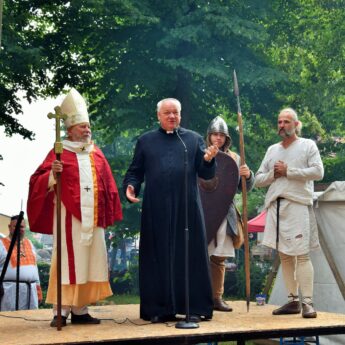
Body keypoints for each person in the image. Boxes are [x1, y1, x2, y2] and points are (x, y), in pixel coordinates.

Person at [27, 88, 123, 327]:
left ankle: (81, 309)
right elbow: (37, 180)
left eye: (88, 127)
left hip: (94, 219)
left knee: (89, 262)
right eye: (82, 127)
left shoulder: (96, 154)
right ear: (69, 130)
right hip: (69, 219)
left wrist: (108, 210)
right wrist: (52, 174)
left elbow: (108, 185)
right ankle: (61, 311)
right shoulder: (59, 152)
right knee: (68, 261)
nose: (87, 130)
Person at [123, 98, 218, 323]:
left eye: (176, 113)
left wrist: (208, 161)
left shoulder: (192, 140)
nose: (172, 117)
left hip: (187, 210)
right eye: (167, 113)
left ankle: (193, 307)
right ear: (159, 116)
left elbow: (206, 174)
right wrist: (130, 187)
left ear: (180, 115)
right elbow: (135, 171)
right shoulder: (146, 141)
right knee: (157, 257)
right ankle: (159, 308)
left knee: (190, 256)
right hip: (156, 210)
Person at [255, 107, 324, 318]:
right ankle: (293, 300)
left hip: (297, 204)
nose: (282, 125)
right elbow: (258, 180)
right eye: (279, 121)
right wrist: (274, 175)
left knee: (301, 255)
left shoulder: (307, 145)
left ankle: (308, 303)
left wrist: (289, 172)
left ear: (296, 124)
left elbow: (318, 172)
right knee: (284, 255)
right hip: (276, 206)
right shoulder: (271, 150)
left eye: (286, 121)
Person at [204, 116, 254, 312]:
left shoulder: (235, 158)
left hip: (226, 211)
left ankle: (217, 297)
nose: (218, 138)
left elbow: (246, 188)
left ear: (226, 138)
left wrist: (247, 175)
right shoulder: (202, 154)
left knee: (219, 257)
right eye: (215, 134)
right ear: (209, 136)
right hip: (205, 210)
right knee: (200, 255)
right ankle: (199, 296)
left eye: (221, 135)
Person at [0, 215, 42, 311]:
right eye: (16, 226)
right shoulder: (1, 244)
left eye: (21, 227)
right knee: (10, 321)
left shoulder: (29, 243)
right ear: (9, 227)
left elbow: (34, 268)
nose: (19, 229)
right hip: (9, 291)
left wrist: (38, 288)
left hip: (30, 291)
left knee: (30, 321)